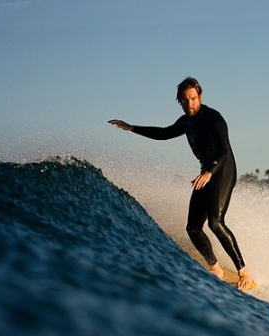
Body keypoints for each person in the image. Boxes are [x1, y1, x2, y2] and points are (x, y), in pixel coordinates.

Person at [108, 77, 253, 290]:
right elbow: (164, 133)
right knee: (193, 227)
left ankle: (244, 272)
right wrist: (131, 128)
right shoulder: (186, 122)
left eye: (193, 99)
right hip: (205, 172)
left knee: (215, 222)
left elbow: (223, 151)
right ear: (180, 101)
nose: (190, 104)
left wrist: (209, 172)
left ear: (200, 97)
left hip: (222, 169)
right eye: (185, 100)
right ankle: (215, 268)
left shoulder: (214, 118)